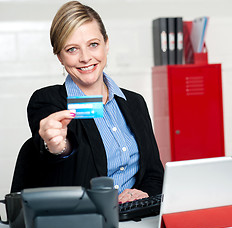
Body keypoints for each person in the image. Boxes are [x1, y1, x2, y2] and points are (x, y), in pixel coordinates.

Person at [25, 1, 164, 203]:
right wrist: (56, 146)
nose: (85, 57)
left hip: (137, 217)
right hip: (85, 223)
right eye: (72, 49)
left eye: (93, 44)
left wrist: (143, 194)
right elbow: (60, 160)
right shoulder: (48, 101)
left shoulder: (134, 103)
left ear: (106, 44)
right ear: (59, 57)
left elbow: (154, 174)